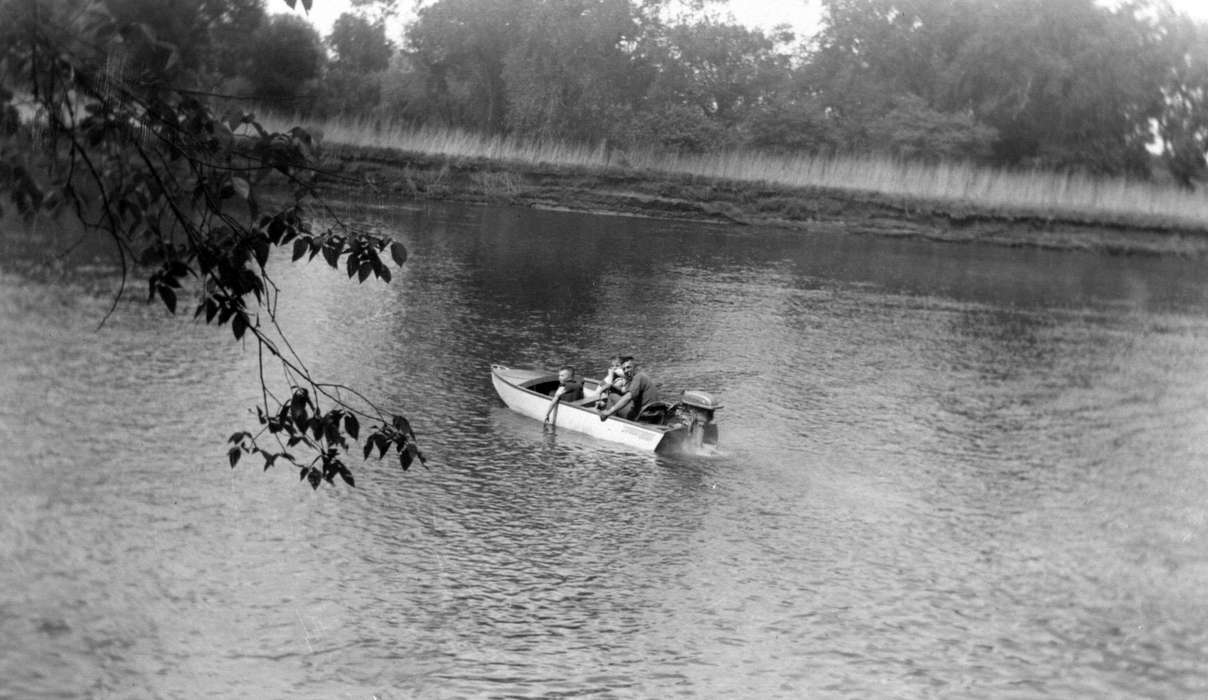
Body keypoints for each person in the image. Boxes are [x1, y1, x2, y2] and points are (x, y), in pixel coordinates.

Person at [599, 356, 657, 422]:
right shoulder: (642, 377)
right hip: (653, 413)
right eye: (624, 369)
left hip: (642, 416)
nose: (626, 370)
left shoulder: (638, 377)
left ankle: (608, 421)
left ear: (635, 367)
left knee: (612, 396)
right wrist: (612, 386)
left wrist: (609, 412)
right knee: (618, 397)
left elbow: (628, 396)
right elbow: (624, 391)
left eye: (628, 367)